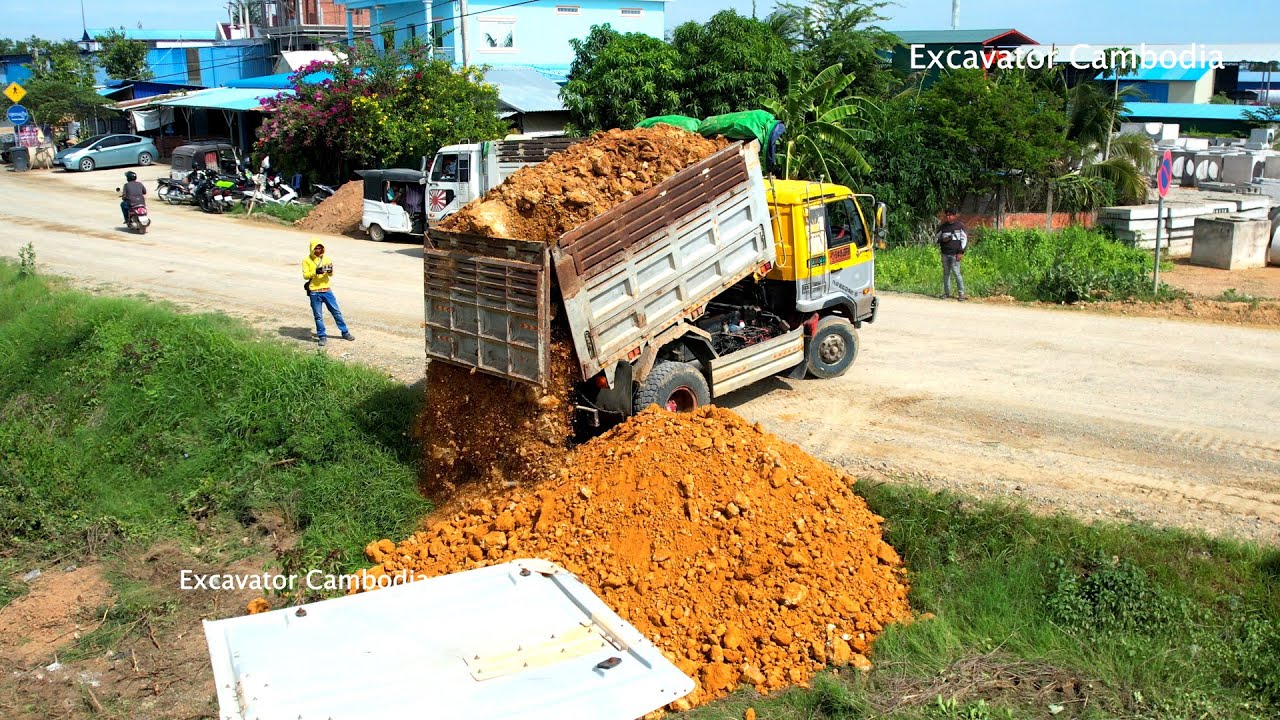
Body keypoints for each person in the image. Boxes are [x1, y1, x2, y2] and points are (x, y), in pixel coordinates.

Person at [302, 239, 355, 347]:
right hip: (314, 292)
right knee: (318, 316)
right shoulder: (306, 260)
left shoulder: (325, 258)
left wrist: (330, 270)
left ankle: (345, 332)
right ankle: (322, 336)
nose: (318, 250)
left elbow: (331, 274)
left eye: (319, 248)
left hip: (326, 290)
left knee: (336, 312)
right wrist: (315, 272)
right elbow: (305, 276)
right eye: (316, 248)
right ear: (312, 249)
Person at [935, 208, 968, 301]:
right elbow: (936, 239)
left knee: (956, 273)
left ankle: (961, 293)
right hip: (945, 253)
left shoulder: (960, 226)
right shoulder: (943, 227)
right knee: (946, 273)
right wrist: (943, 240)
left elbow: (964, 240)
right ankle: (947, 293)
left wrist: (961, 252)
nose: (948, 217)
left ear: (955, 215)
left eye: (950, 215)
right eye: (947, 215)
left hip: (955, 254)